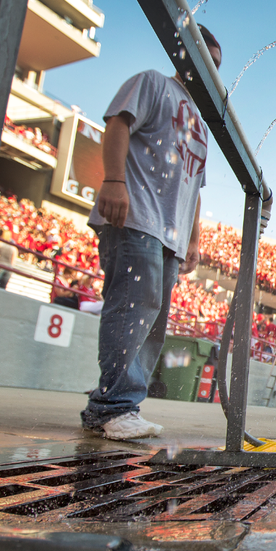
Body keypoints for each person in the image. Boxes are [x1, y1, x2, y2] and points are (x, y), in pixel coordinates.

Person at [79, 26, 217, 440]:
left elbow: (195, 187)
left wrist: (193, 240)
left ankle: (118, 405)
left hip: (170, 233)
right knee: (132, 308)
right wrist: (114, 180)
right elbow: (118, 123)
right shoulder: (153, 83)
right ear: (186, 55)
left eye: (216, 66)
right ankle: (112, 407)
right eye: (205, 58)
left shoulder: (203, 126)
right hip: (137, 214)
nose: (210, 70)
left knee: (150, 318)